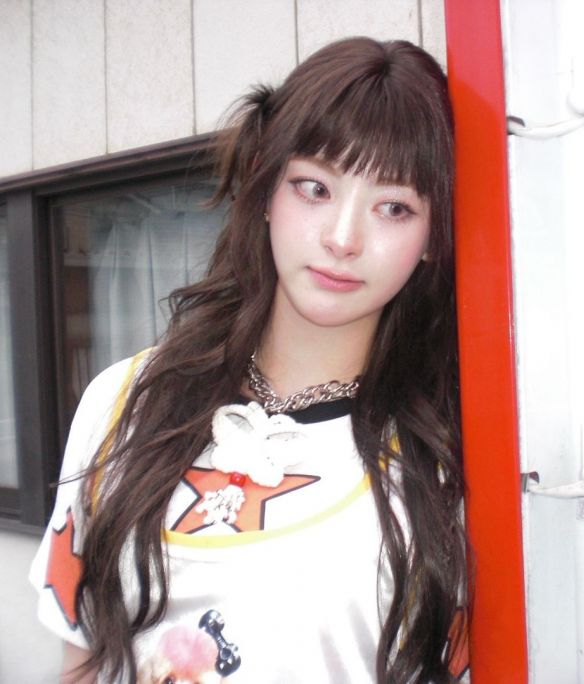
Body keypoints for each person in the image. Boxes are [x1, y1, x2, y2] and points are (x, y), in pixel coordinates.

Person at [30, 37, 468, 683]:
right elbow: (84, 658)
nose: (343, 238)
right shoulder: (125, 398)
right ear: (265, 189)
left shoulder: (451, 451)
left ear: (433, 236)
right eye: (314, 188)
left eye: (394, 207)